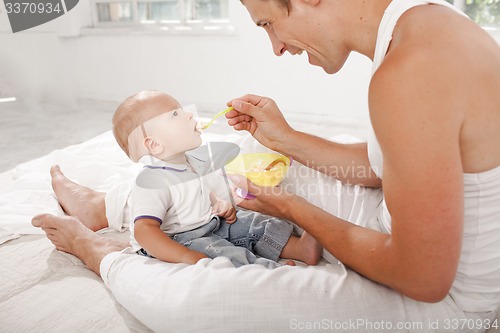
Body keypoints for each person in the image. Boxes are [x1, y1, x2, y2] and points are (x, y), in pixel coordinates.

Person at [32, 0, 500, 331]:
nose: (276, 47)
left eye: (268, 24)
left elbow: (423, 279)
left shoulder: (410, 72)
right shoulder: (425, 22)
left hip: (450, 301)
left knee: (207, 301)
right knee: (272, 164)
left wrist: (293, 210)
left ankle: (96, 251)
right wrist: (287, 139)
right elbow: (388, 165)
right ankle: (110, 205)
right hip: (399, 222)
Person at [109, 90, 321, 267]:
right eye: (175, 115)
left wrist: (217, 203)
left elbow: (194, 192)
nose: (189, 116)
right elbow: (145, 231)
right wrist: (184, 255)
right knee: (221, 253)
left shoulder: (188, 162)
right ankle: (264, 271)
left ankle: (299, 249)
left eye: (183, 110)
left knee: (252, 222)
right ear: (154, 144)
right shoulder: (153, 182)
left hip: (209, 223)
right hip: (178, 239)